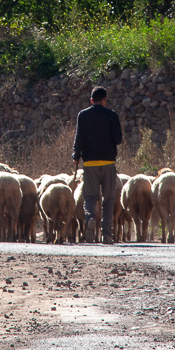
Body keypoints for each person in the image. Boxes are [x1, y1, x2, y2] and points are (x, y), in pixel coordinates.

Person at [72, 85, 123, 244]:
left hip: (90, 163)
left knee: (89, 197)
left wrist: (76, 156)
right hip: (108, 162)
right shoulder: (112, 115)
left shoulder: (83, 115)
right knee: (108, 198)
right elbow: (118, 140)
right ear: (105, 100)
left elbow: (78, 138)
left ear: (92, 100)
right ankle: (106, 234)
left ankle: (90, 218)